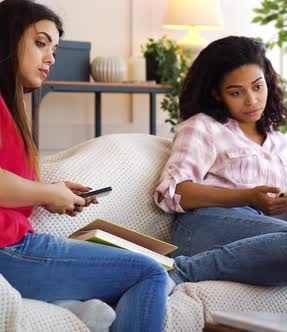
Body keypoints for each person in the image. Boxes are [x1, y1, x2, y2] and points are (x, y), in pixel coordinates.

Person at [0, 1, 169, 331]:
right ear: (7, 38)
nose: (50, 57)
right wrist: (47, 191)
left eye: (54, 49)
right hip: (9, 250)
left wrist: (53, 195)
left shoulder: (12, 107)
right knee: (150, 272)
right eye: (40, 43)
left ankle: (77, 309)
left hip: (13, 247)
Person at [156, 36, 287, 293]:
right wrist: (247, 197)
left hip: (267, 229)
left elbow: (282, 199)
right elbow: (172, 191)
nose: (251, 100)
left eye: (258, 87)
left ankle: (202, 268)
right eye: (236, 92)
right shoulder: (202, 127)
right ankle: (178, 272)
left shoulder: (282, 142)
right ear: (216, 93)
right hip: (205, 224)